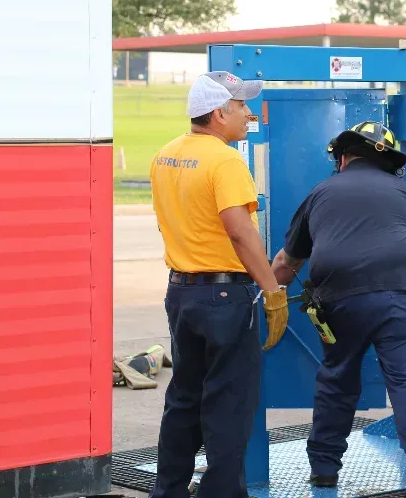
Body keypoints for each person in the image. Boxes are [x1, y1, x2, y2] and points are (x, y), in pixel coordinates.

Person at [270, 121, 406, 498]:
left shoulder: (321, 191)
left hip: (340, 298)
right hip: (404, 296)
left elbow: (287, 261)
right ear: (388, 163)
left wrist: (268, 296)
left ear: (342, 158)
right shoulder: (404, 191)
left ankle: (324, 471)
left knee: (337, 381)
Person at [148, 71, 289, 498]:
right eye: (241, 106)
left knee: (184, 398)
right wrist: (272, 290)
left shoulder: (166, 155)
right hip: (225, 296)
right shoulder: (225, 160)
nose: (248, 113)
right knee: (228, 404)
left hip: (182, 292)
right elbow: (240, 233)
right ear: (217, 113)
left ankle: (169, 490)